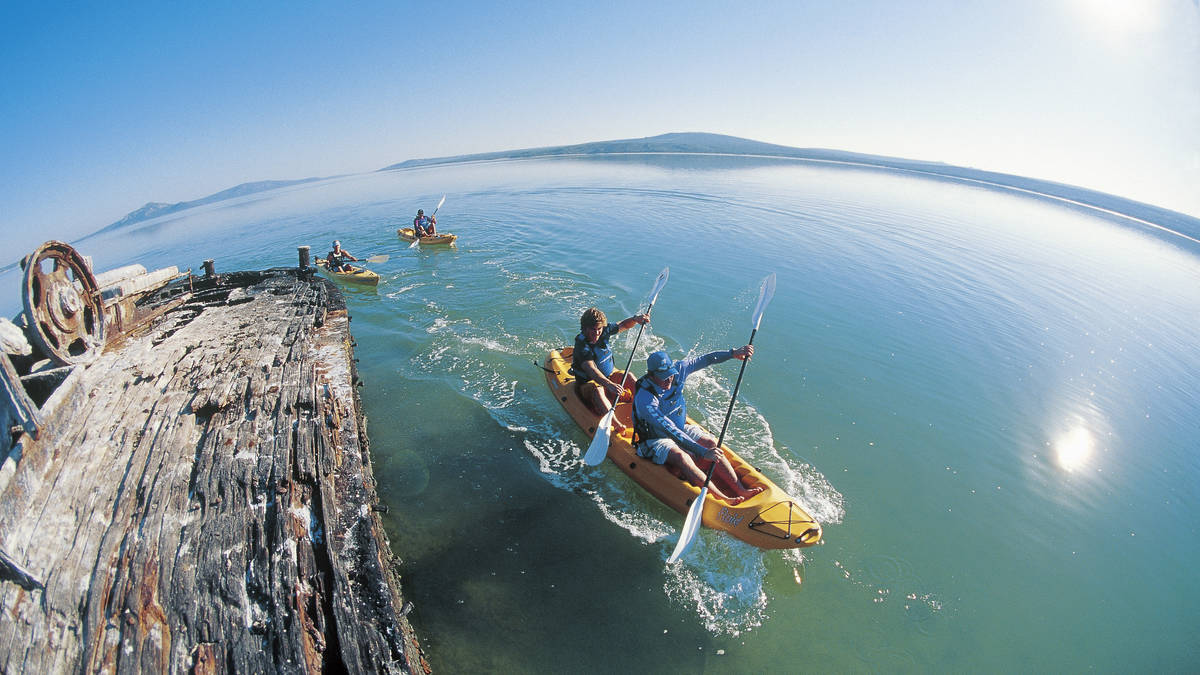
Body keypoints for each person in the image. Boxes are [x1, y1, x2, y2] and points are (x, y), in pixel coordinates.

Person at [632, 347, 764, 504]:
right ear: (651, 375)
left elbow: (706, 359)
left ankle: (740, 489)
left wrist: (732, 354)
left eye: (670, 374)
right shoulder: (645, 399)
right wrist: (702, 453)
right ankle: (721, 498)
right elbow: (670, 430)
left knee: (711, 444)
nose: (669, 379)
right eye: (663, 377)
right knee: (682, 456)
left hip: (681, 428)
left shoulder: (679, 369)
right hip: (656, 438)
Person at [570, 307, 649, 427]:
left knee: (627, 376)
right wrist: (609, 385)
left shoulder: (604, 330)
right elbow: (592, 371)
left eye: (599, 329)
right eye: (593, 329)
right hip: (587, 386)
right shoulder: (582, 347)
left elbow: (623, 324)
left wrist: (636, 319)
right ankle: (616, 425)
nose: (597, 333)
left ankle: (647, 407)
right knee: (598, 389)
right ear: (585, 328)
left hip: (608, 378)